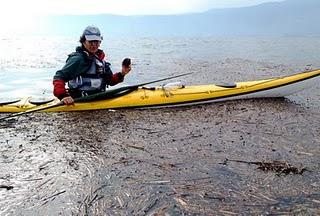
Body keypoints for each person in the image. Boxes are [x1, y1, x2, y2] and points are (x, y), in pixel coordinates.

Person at [53, 26, 131, 105]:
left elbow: (110, 81)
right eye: (91, 42)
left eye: (96, 42)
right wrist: (63, 96)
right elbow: (59, 77)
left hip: (97, 97)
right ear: (84, 42)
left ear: (100, 42)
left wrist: (122, 73)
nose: (94, 45)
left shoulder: (100, 60)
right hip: (80, 100)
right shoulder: (78, 59)